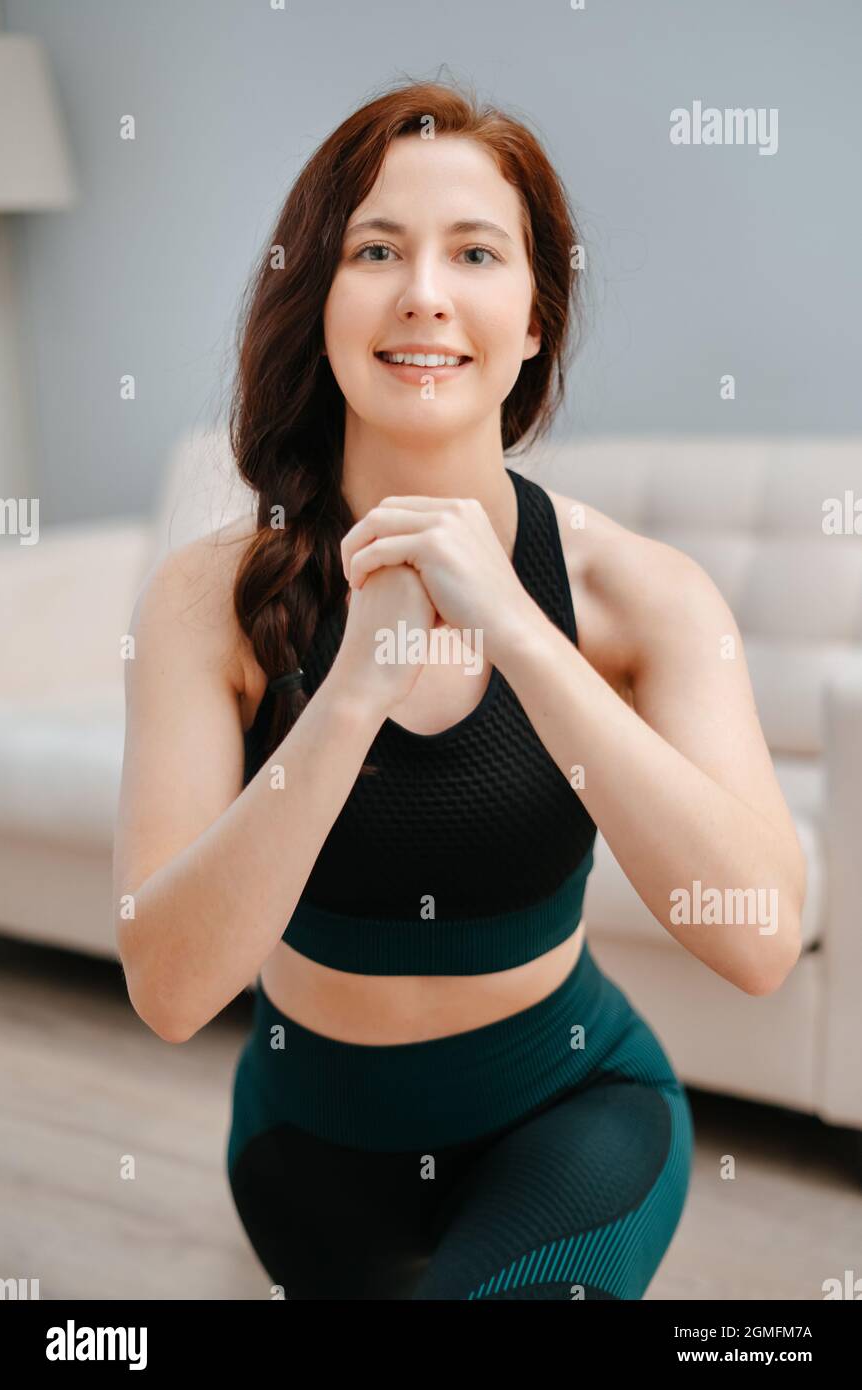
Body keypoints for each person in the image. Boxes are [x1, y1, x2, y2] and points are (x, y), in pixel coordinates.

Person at [113, 78, 806, 1300]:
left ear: (532, 318)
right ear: (315, 301)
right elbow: (169, 991)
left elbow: (757, 941)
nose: (423, 291)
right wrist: (348, 694)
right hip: (306, 1148)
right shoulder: (204, 599)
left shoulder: (640, 596)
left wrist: (521, 633)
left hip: (571, 1116)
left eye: (474, 252)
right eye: (373, 249)